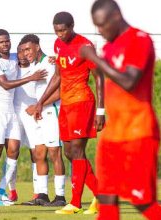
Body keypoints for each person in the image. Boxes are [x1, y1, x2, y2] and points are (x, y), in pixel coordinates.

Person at [80, 0, 161, 219]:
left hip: (138, 133)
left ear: (116, 17)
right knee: (106, 198)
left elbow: (130, 81)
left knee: (142, 202)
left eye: (102, 25)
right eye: (96, 26)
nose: (100, 32)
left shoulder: (140, 40)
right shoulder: (109, 46)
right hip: (112, 136)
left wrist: (94, 59)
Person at [34, 12, 105, 214]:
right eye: (57, 30)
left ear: (72, 26)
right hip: (66, 105)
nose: (60, 34)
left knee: (77, 151)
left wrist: (101, 110)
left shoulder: (85, 46)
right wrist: (41, 102)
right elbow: (58, 76)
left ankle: (75, 203)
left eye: (63, 30)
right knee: (68, 152)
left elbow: (99, 76)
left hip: (82, 103)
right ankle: (101, 195)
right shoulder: (57, 45)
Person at [0, 29, 47, 206]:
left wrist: (50, 58)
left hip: (10, 111)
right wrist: (31, 78)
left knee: (14, 149)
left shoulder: (13, 57)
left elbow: (30, 55)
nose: (5, 44)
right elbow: (5, 84)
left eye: (7, 41)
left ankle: (2, 191)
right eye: (1, 42)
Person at [19, 34, 66, 207]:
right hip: (38, 113)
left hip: (51, 112)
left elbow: (60, 90)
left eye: (29, 49)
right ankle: (42, 195)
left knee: (55, 153)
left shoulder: (49, 63)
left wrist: (40, 105)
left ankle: (60, 196)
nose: (26, 53)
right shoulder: (35, 66)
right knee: (39, 154)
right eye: (23, 50)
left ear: (37, 47)